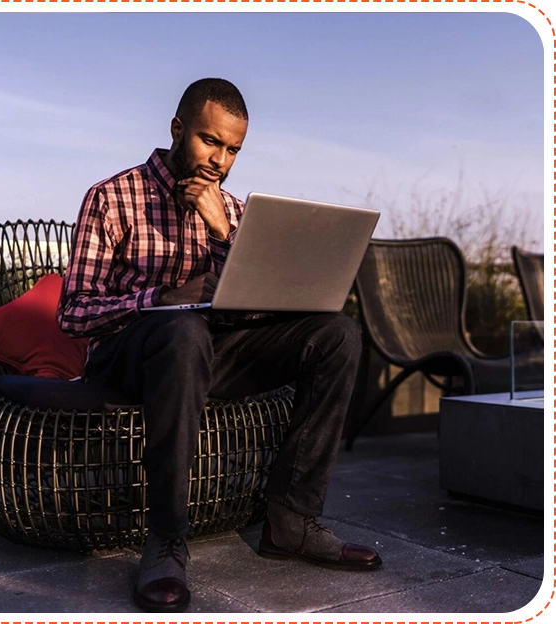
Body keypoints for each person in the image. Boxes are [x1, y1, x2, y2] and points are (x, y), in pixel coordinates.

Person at [57, 77, 382, 615]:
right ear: (178, 129)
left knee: (337, 335)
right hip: (129, 358)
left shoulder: (230, 209)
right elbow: (74, 314)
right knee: (182, 330)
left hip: (209, 352)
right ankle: (164, 541)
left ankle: (290, 522)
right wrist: (160, 296)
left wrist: (224, 235)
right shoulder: (112, 198)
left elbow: (255, 308)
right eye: (210, 141)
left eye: (233, 149)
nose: (220, 160)